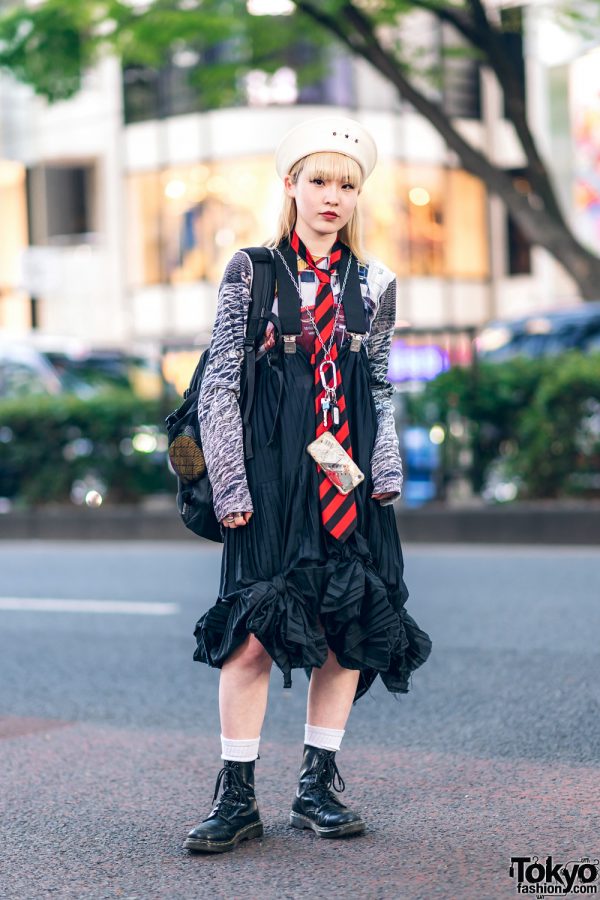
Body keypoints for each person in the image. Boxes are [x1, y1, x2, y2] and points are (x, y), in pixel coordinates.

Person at [183, 115, 433, 854]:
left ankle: (317, 785)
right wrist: (229, 482)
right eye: (318, 180)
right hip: (270, 477)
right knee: (252, 640)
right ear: (290, 185)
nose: (332, 196)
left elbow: (379, 385)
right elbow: (220, 383)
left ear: (360, 196)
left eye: (347, 185)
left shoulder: (377, 282)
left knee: (343, 632)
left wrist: (383, 470)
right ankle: (236, 798)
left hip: (346, 477)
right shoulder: (252, 270)